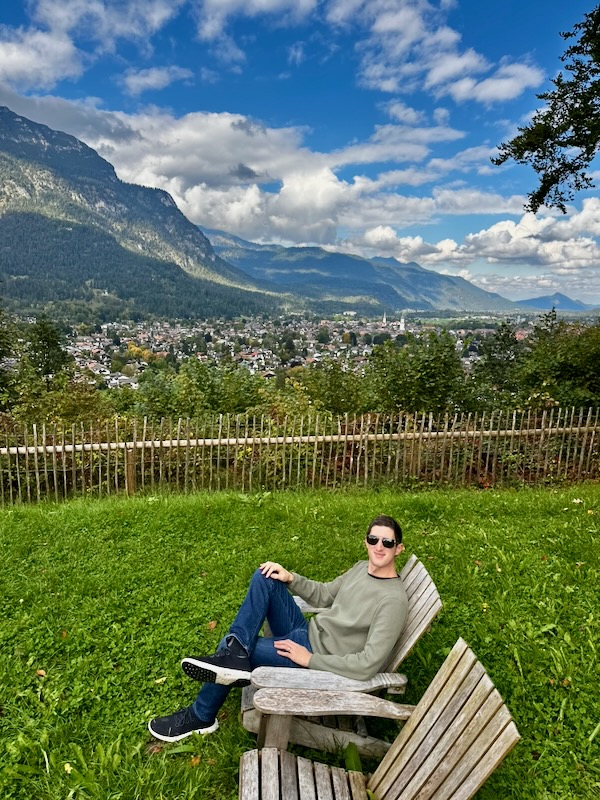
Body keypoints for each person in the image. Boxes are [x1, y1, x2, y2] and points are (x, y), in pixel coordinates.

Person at [148, 514, 408, 742]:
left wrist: (310, 660)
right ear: (366, 541)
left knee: (229, 648)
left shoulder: (392, 602)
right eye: (373, 540)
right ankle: (235, 654)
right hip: (304, 632)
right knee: (266, 576)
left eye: (387, 542)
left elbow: (367, 665)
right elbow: (324, 595)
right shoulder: (361, 569)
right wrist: (290, 578)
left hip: (313, 656)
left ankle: (201, 716)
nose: (379, 547)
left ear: (399, 549)